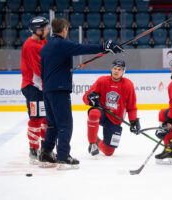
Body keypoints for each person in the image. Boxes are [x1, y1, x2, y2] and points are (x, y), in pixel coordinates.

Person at [39, 18, 124, 170]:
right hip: (60, 90)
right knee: (65, 124)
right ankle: (63, 157)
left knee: (53, 125)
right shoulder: (63, 44)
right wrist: (105, 46)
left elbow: (44, 70)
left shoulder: (45, 47)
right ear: (64, 29)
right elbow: (82, 48)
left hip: (47, 90)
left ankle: (46, 152)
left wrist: (62, 71)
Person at [82, 59, 141, 157]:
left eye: (119, 69)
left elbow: (132, 107)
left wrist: (133, 121)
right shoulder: (102, 81)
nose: (116, 71)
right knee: (94, 113)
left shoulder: (128, 85)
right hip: (102, 113)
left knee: (109, 152)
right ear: (111, 69)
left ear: (123, 71)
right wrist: (90, 99)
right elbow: (85, 97)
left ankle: (97, 141)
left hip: (115, 119)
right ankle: (92, 144)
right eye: (115, 68)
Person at [20, 16, 49, 165]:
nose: (48, 30)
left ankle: (45, 149)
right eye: (45, 28)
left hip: (42, 86)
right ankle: (33, 149)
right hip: (33, 87)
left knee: (45, 119)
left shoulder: (43, 41)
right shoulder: (30, 45)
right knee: (36, 118)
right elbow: (38, 70)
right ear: (38, 30)